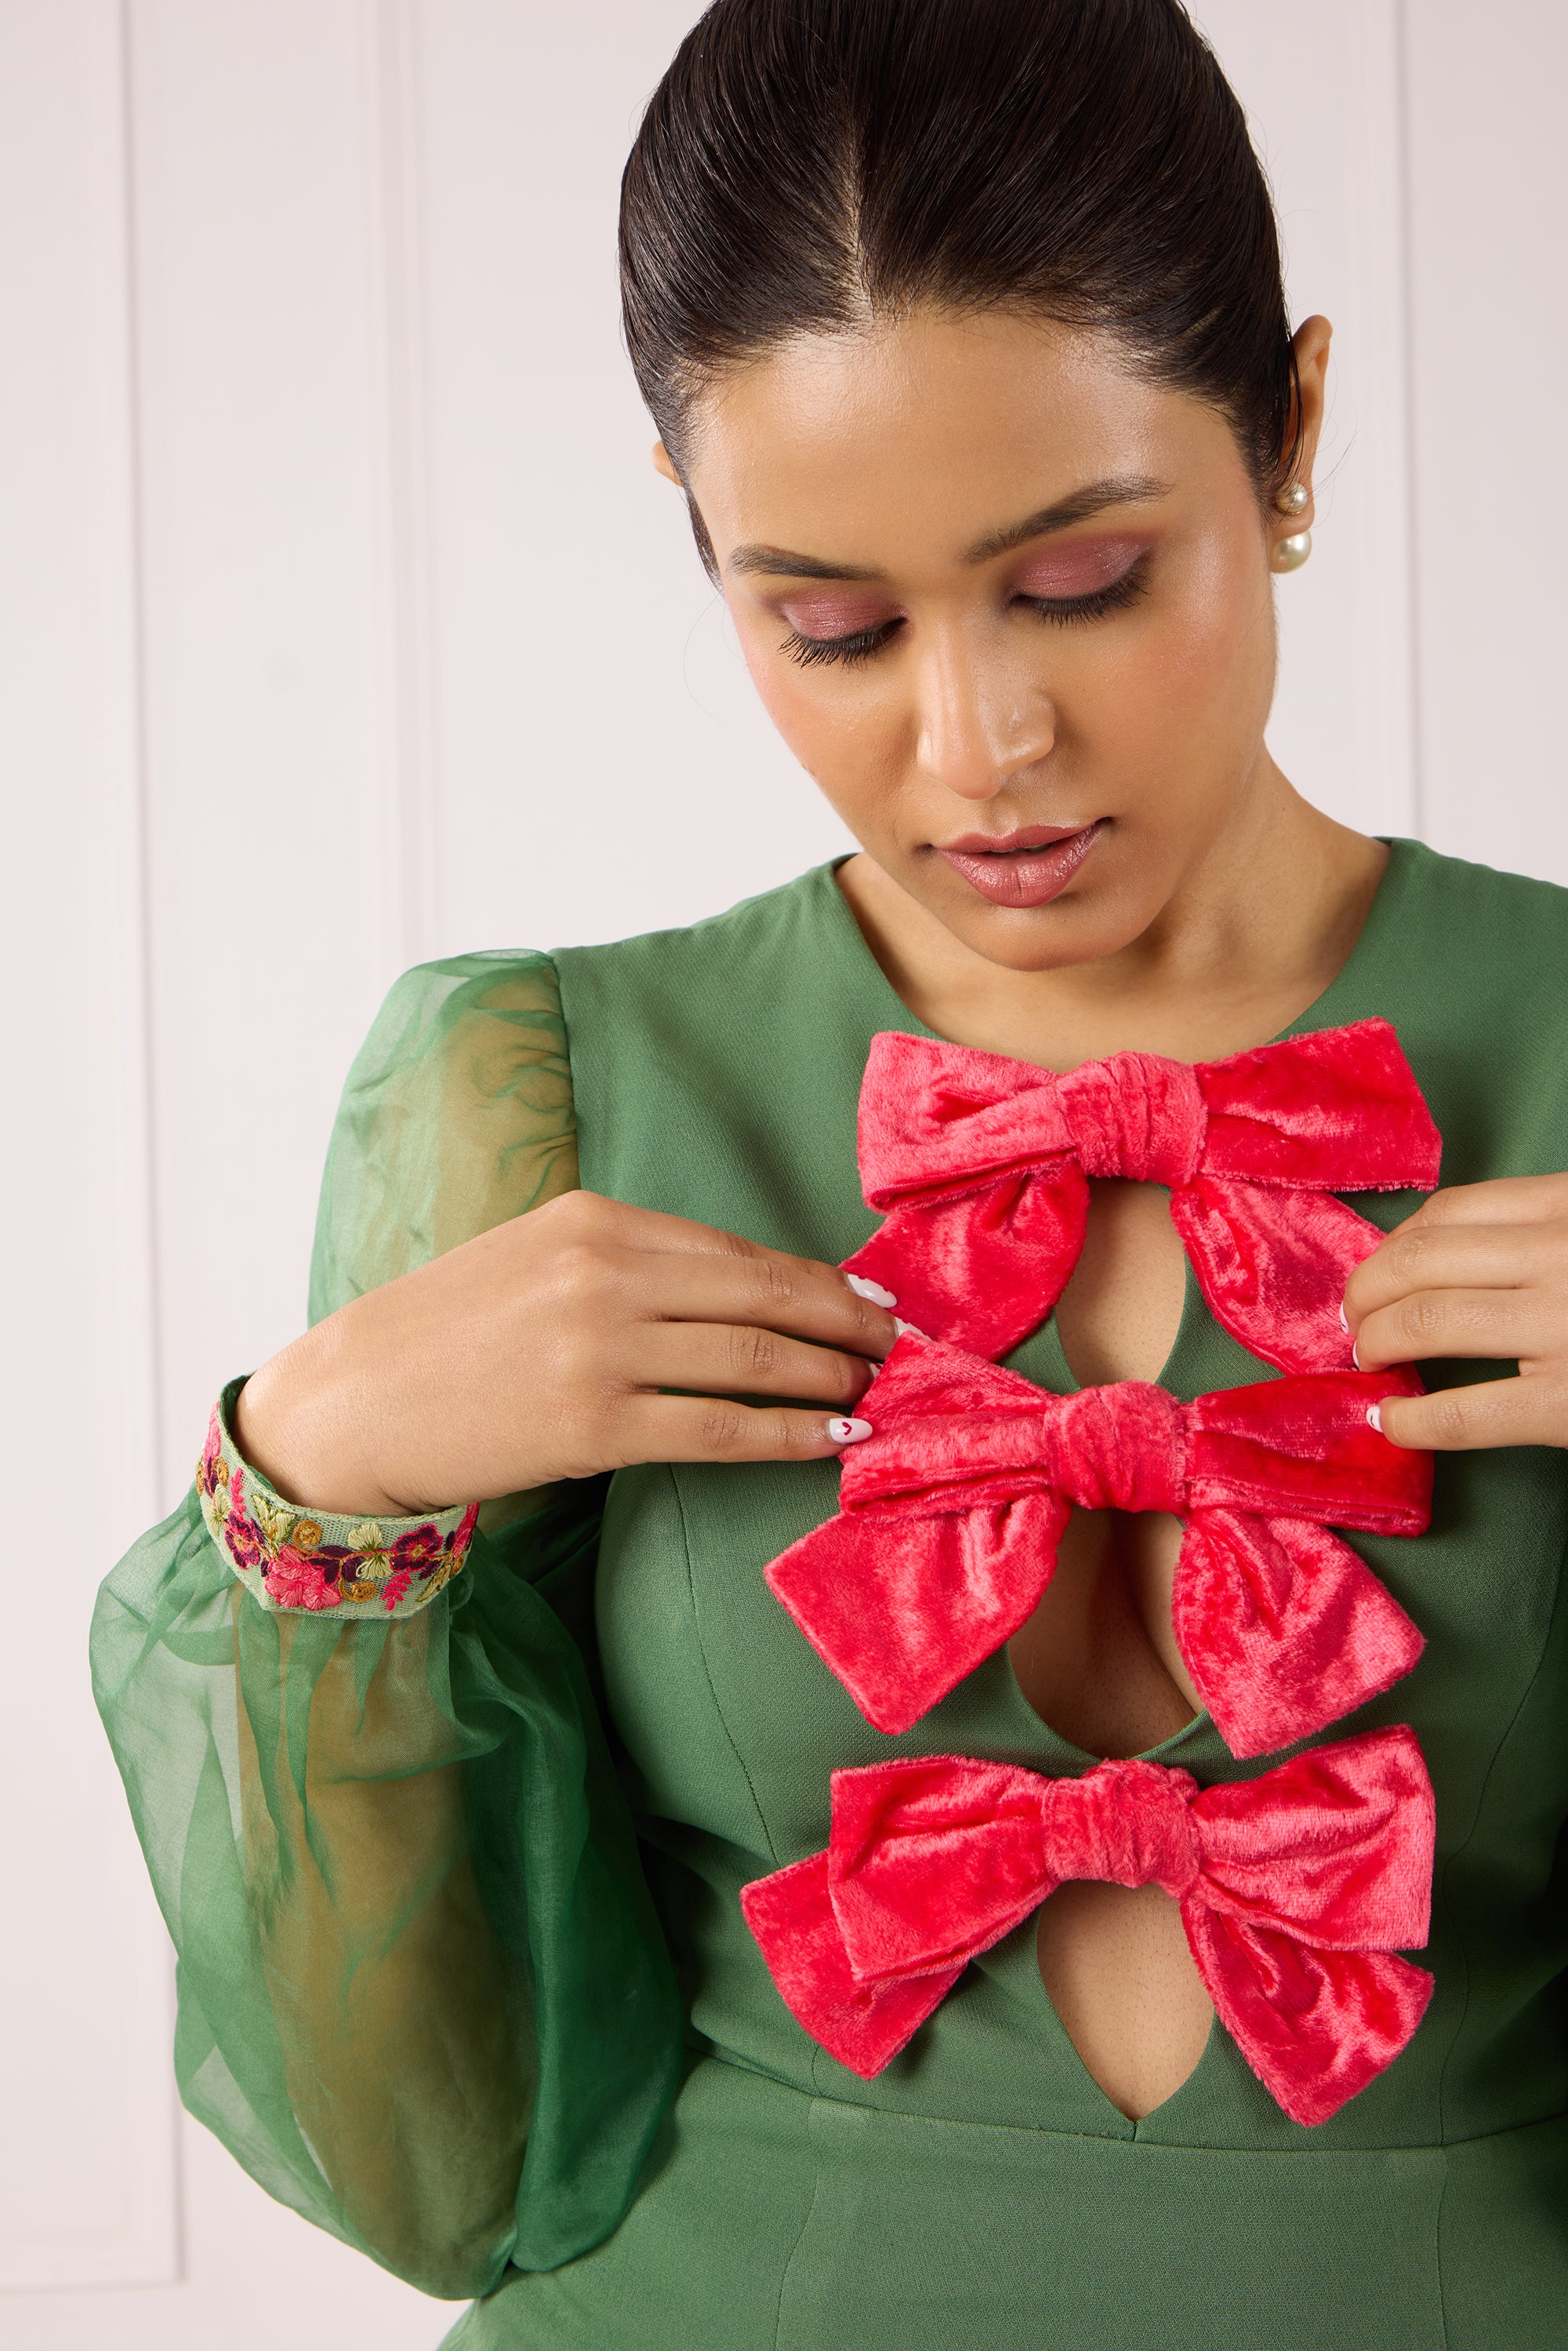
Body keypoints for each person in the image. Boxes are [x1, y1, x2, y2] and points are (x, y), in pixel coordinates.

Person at [93, 2, 1568, 2344]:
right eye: (832, 626)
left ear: (1288, 437)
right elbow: (433, 2156)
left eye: (1081, 582)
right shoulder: (536, 1091)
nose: (981, 747)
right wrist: (321, 1472)